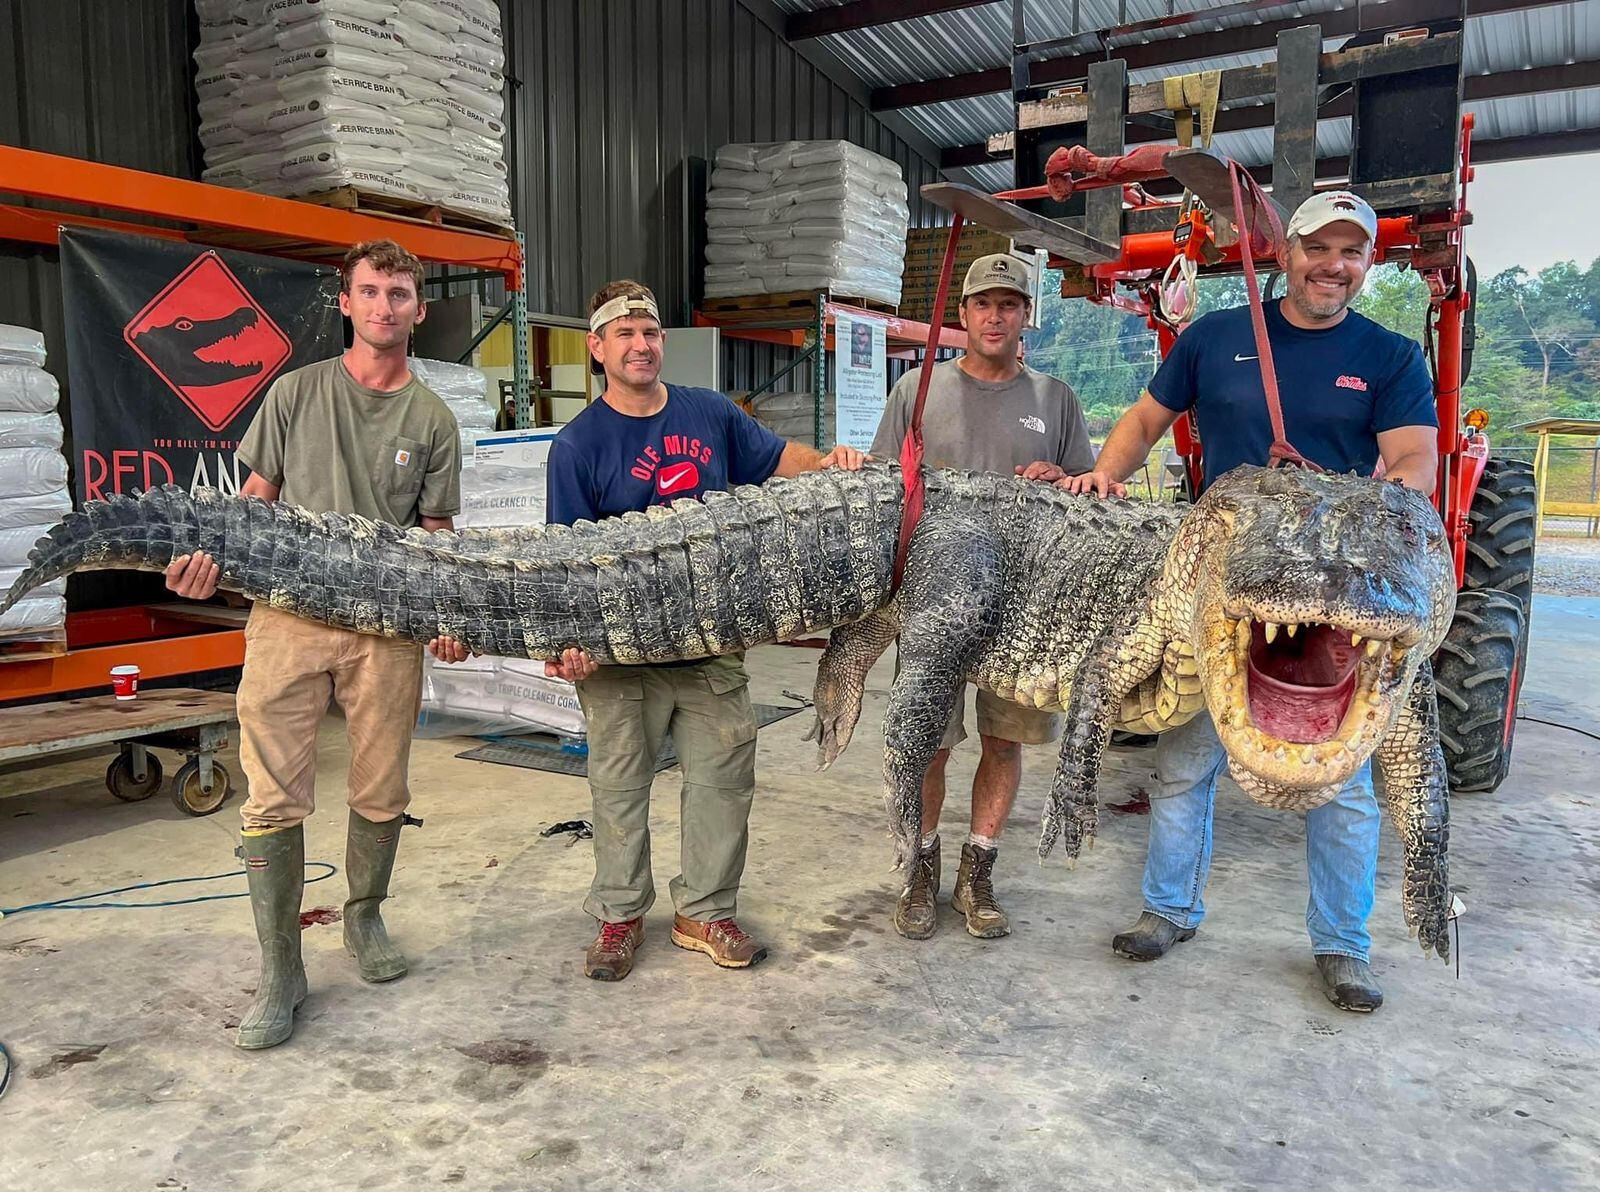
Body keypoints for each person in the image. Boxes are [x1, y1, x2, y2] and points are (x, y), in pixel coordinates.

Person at [1054, 191, 1438, 1013]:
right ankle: (1168, 910)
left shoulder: (1393, 355)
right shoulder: (1217, 337)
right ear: (1285, 251)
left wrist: (1353, 515)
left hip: (1334, 594)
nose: (1333, 267)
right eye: (1319, 249)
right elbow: (1147, 419)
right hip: (1224, 590)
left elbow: (1412, 465)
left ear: (1368, 264)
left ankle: (1343, 945)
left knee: (1346, 784)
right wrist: (1104, 476)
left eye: (1352, 254)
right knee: (1185, 758)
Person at [164, 239, 471, 1049]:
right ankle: (281, 967)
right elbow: (250, 510)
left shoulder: (432, 420)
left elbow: (435, 537)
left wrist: (447, 614)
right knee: (271, 796)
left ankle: (364, 919)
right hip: (289, 625)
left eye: (398, 293)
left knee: (381, 789)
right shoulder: (295, 395)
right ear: (345, 302)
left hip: (386, 632)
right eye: (369, 291)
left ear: (418, 309)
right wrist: (209, 567)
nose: (383, 307)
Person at [544, 280, 866, 983]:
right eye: (624, 333)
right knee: (619, 787)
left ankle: (705, 910)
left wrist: (832, 461)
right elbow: (565, 563)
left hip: (710, 645)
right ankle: (620, 916)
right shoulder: (577, 446)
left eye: (650, 331)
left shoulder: (711, 413)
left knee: (723, 779)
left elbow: (781, 460)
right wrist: (564, 645)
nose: (640, 344)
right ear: (597, 348)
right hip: (620, 656)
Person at [869, 252, 1096, 942]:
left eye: (1009, 303)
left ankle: (979, 869)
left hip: (1025, 609)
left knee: (1006, 741)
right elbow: (882, 491)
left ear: (1027, 314)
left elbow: (1087, 495)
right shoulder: (917, 390)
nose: (995, 316)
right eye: (982, 304)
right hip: (933, 598)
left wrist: (1062, 477)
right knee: (928, 743)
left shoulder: (1056, 399)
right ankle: (921, 866)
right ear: (962, 314)